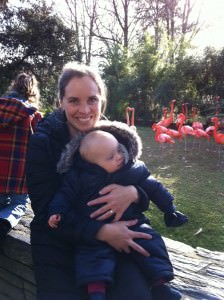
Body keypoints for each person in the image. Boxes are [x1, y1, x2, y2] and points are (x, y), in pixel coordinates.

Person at [26, 61, 156, 300]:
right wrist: (103, 231)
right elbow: (46, 212)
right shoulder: (43, 142)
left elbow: (139, 178)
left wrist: (135, 194)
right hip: (58, 245)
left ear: (101, 100)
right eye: (74, 100)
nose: (84, 110)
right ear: (61, 101)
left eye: (92, 100)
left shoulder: (114, 136)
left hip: (113, 246)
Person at [48, 127, 188, 300]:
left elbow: (153, 186)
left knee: (152, 242)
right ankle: (97, 294)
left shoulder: (132, 169)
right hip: (94, 228)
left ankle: (160, 286)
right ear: (93, 164)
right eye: (110, 157)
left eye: (118, 150)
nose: (119, 156)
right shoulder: (78, 177)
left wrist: (169, 208)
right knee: (92, 258)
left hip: (132, 223)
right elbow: (64, 195)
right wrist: (57, 212)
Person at [0, 72, 42, 240]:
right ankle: (5, 221)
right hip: (19, 180)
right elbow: (40, 149)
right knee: (19, 204)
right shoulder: (34, 116)